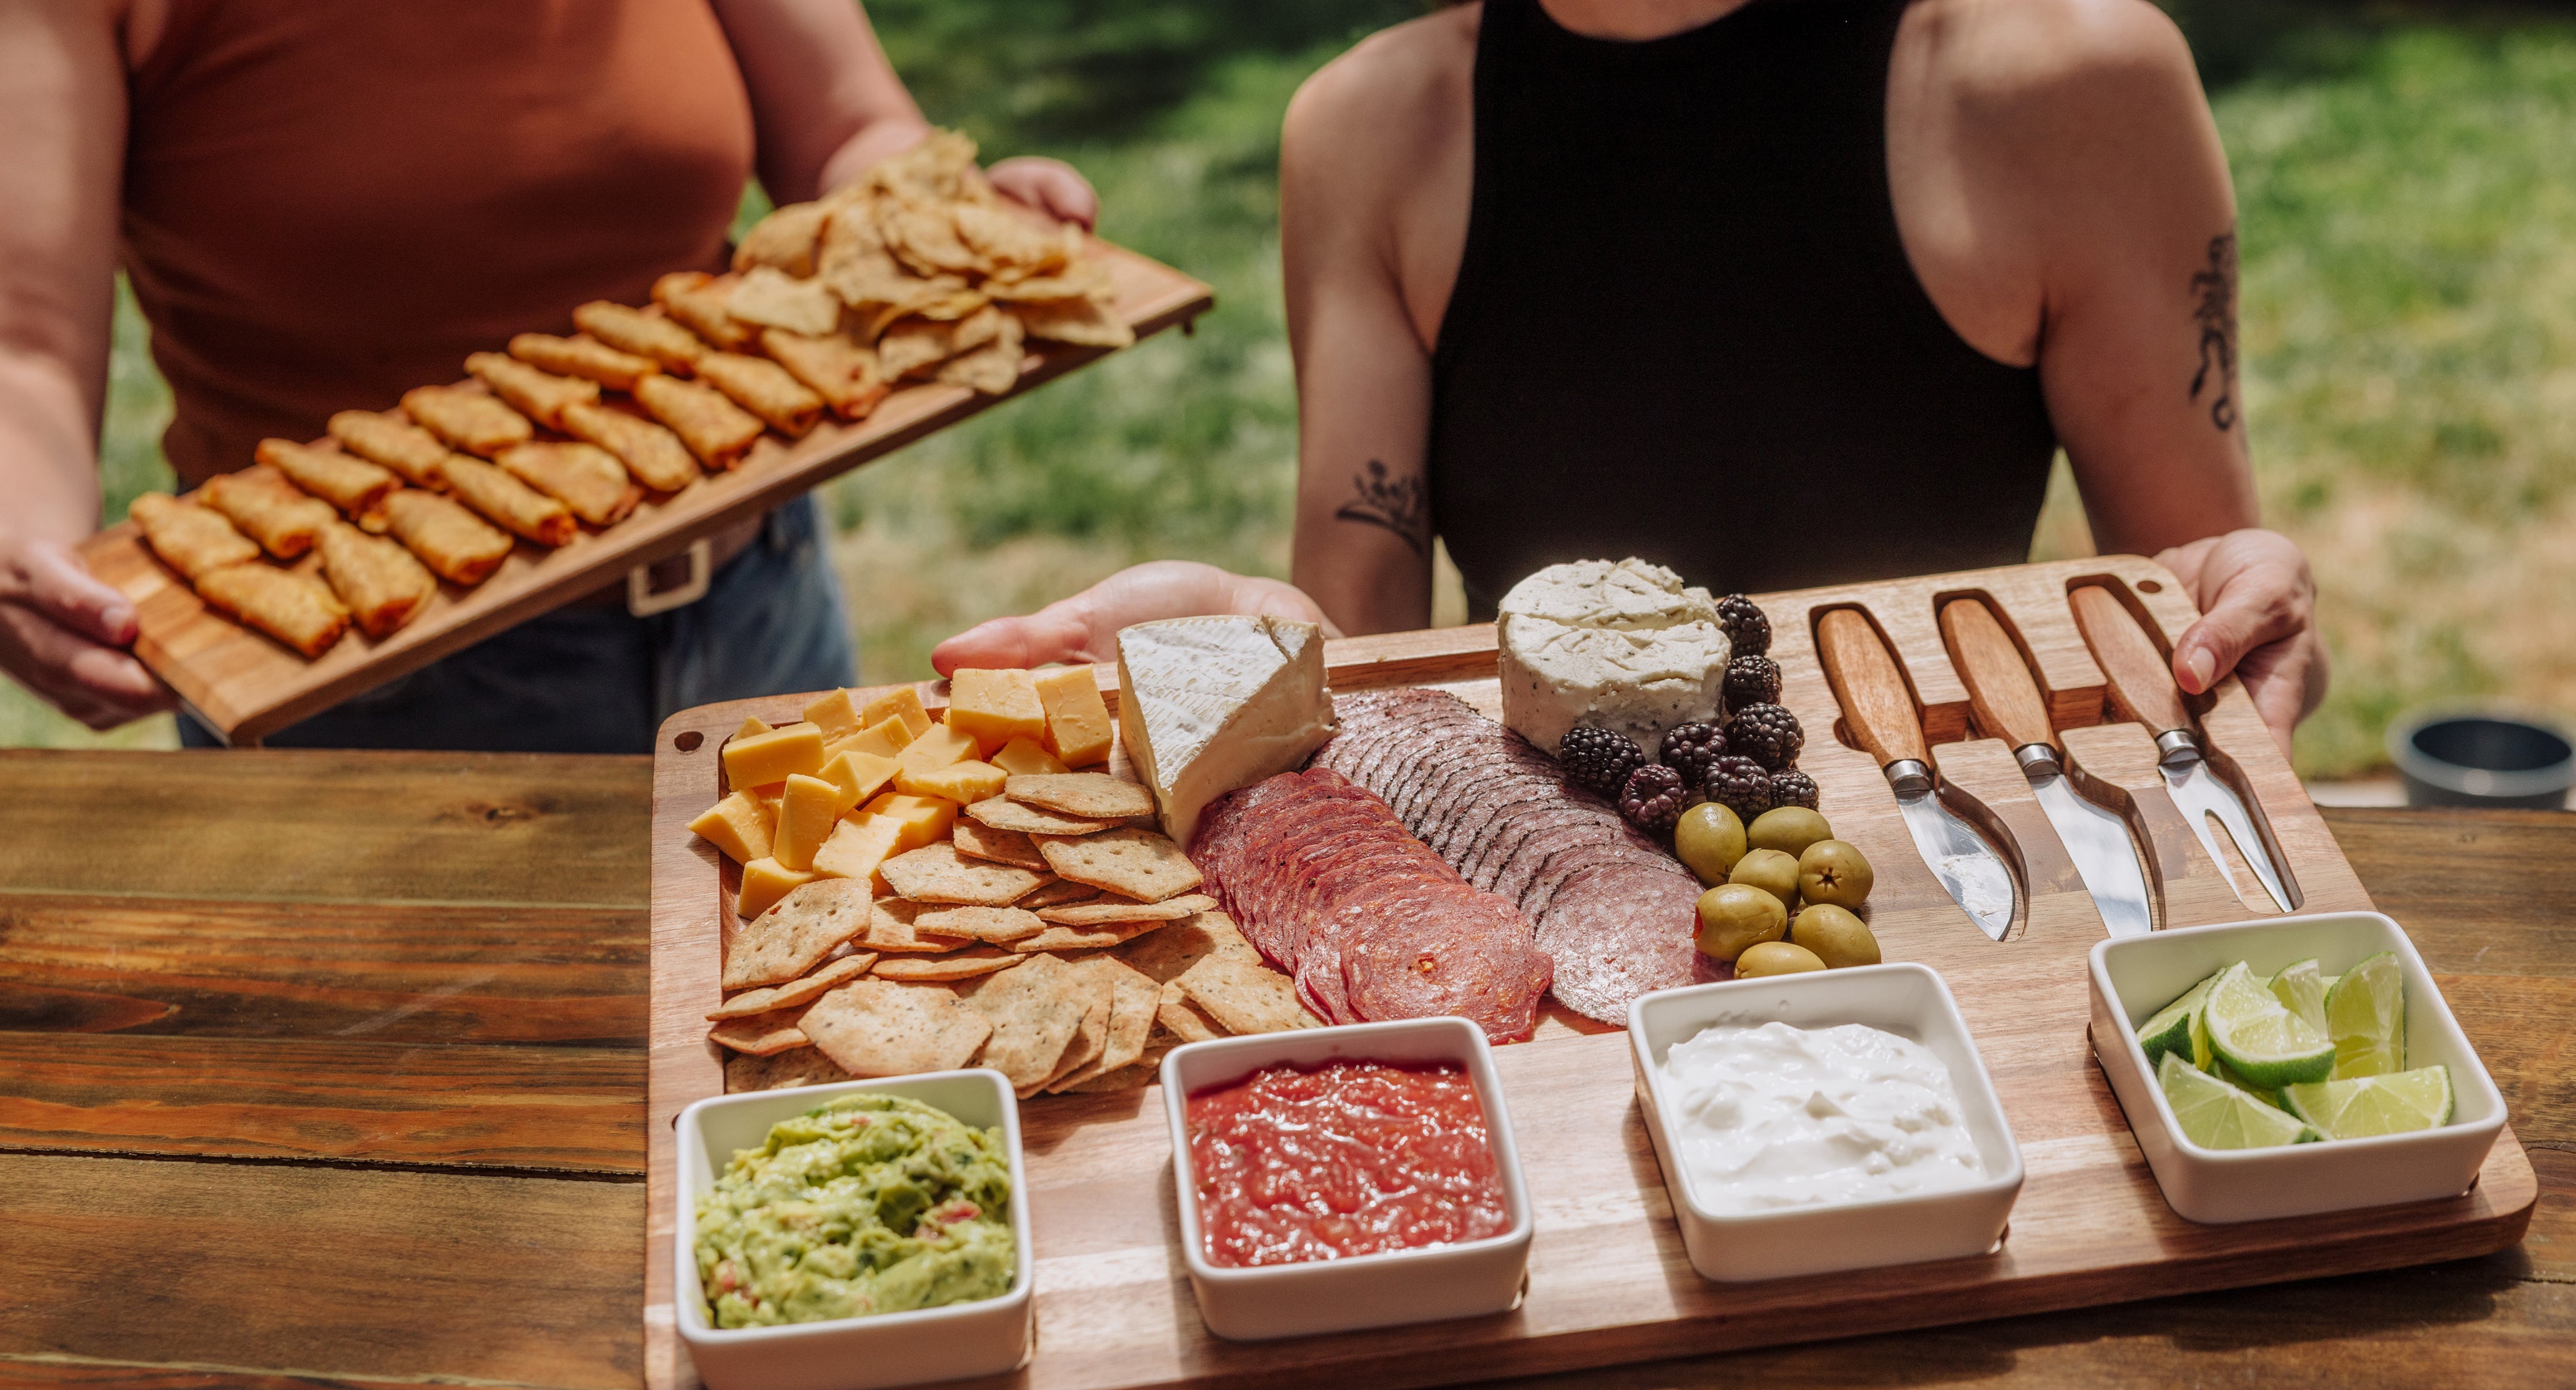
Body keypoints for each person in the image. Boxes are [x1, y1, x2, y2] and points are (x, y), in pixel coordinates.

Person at [937, 0, 2326, 757]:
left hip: (1937, 869)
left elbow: (2196, 615)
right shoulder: (1372, 127)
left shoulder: (2070, 80)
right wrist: (1244, 640)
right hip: (1554, 908)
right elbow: (1361, 669)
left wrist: (2244, 612)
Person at [0, 0, 1094, 748]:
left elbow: (849, 129)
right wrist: (26, 545)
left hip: (760, 596)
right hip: (369, 686)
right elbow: (26, 345)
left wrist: (958, 221)